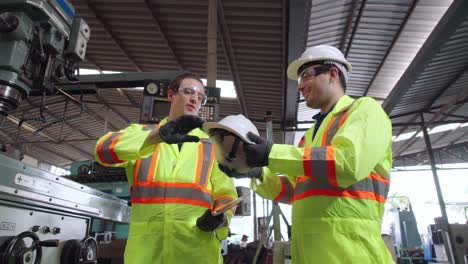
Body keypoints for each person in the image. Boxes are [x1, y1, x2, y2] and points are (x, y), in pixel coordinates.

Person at [220, 45, 394, 263]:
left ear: (333, 74)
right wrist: (257, 173)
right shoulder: (309, 136)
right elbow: (294, 191)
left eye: (305, 75)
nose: (300, 86)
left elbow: (348, 164)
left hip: (350, 253)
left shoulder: (364, 110)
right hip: (309, 252)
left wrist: (272, 153)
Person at [95, 73, 237, 263]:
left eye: (201, 97)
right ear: (170, 95)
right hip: (147, 254)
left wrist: (221, 217)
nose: (195, 99)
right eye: (188, 92)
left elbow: (227, 195)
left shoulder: (212, 146)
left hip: (196, 253)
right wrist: (156, 136)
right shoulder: (143, 134)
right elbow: (102, 151)